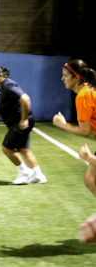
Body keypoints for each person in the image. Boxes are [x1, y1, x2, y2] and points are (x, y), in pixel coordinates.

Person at [0, 65, 47, 185]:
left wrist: (23, 119)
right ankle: (38, 175)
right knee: (24, 149)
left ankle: (24, 172)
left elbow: (25, 99)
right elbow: (1, 110)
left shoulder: (8, 85)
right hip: (19, 122)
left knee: (6, 148)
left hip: (21, 122)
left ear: (0, 76)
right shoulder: (2, 89)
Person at [53, 59, 96, 198]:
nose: (62, 78)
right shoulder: (87, 91)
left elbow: (84, 131)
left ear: (76, 78)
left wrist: (62, 124)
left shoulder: (83, 96)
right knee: (90, 180)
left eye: (65, 75)